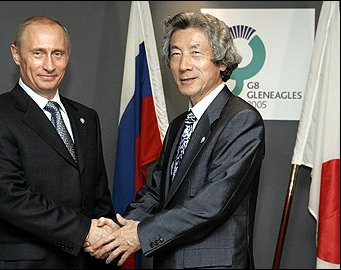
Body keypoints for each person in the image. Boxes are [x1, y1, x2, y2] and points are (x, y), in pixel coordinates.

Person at [86, 11, 265, 269]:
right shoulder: (179, 124)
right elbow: (157, 191)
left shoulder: (241, 120)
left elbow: (211, 204)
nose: (183, 66)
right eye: (175, 53)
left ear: (223, 62)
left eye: (195, 53)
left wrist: (138, 235)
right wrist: (117, 230)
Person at [0, 15, 120, 269]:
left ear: (68, 57)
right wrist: (85, 231)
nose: (49, 65)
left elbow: (99, 198)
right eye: (38, 53)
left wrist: (106, 240)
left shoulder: (86, 117)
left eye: (57, 53)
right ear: (16, 55)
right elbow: (11, 198)